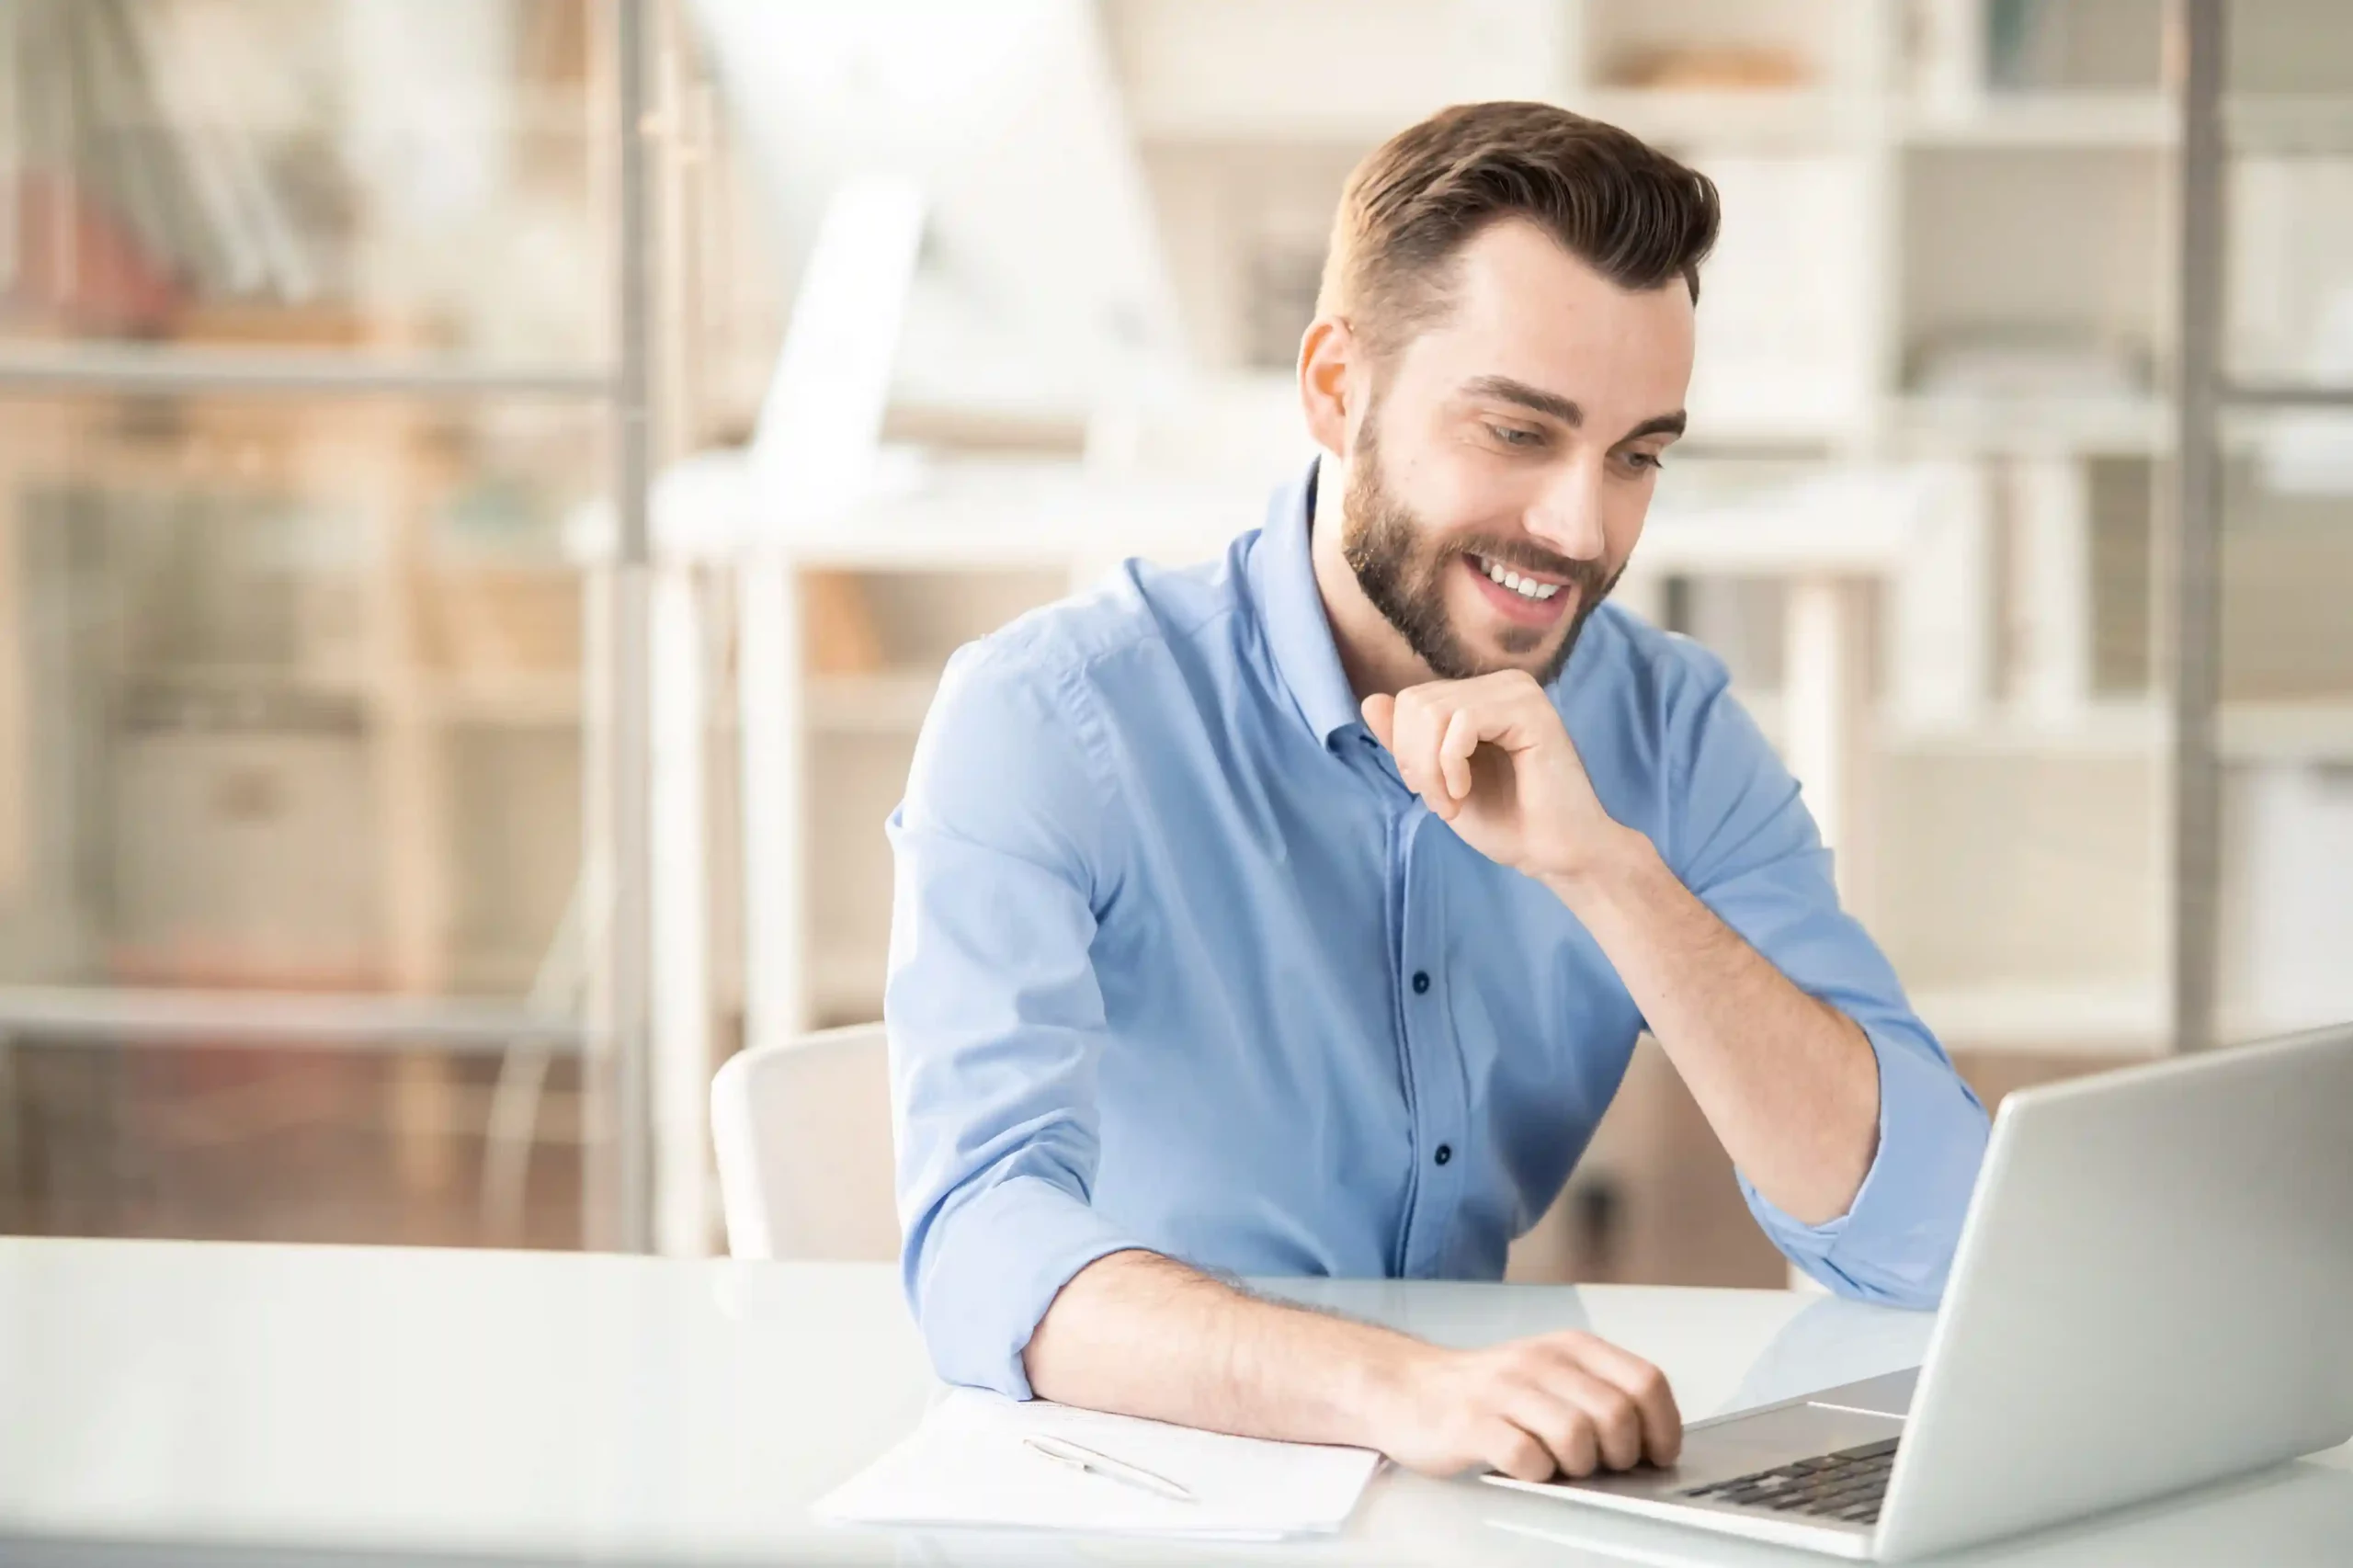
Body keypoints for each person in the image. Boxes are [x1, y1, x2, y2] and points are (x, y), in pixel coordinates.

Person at [884, 101, 1990, 1484]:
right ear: (1337, 389)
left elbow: (1936, 1231)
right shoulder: (1052, 716)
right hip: (1137, 1481)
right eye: (1519, 433)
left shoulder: (1668, 726)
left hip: (1463, 1493)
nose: (1584, 530)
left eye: (1638, 454)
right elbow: (983, 1246)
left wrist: (1610, 873)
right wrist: (1396, 1389)